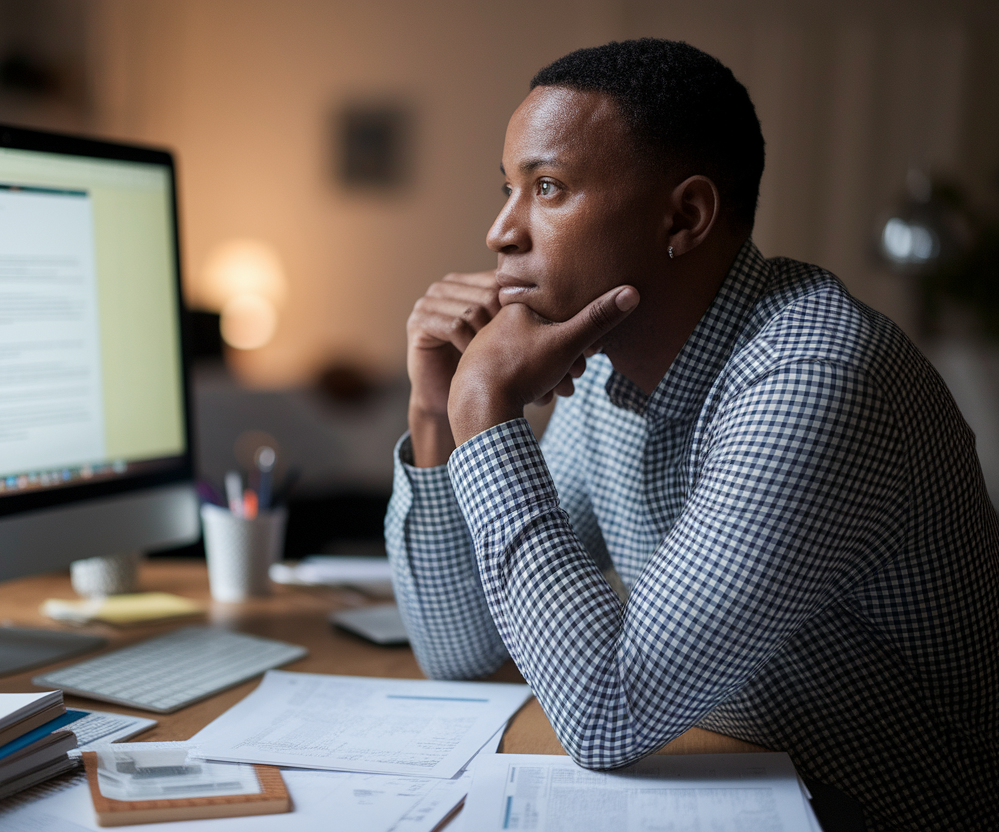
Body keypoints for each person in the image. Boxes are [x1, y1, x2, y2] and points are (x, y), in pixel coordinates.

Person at [386, 39, 998, 831]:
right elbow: (456, 651)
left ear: (685, 216)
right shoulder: (605, 371)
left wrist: (488, 411)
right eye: (508, 189)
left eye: (547, 187)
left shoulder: (814, 375)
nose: (501, 231)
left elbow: (606, 714)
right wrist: (438, 414)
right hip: (751, 778)